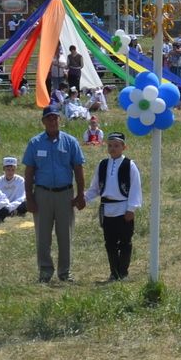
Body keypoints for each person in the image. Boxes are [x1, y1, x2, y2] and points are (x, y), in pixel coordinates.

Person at [23, 106, 87, 284]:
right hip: (42, 194)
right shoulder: (35, 143)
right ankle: (45, 271)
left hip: (65, 194)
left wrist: (81, 194)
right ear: (43, 121)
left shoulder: (70, 142)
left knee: (65, 234)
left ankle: (65, 272)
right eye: (49, 118)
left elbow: (78, 169)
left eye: (55, 118)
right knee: (43, 235)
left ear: (60, 120)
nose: (52, 121)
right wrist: (29, 197)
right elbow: (29, 172)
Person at [84, 132, 142, 282]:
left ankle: (123, 272)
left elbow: (135, 187)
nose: (113, 148)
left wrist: (131, 208)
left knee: (125, 242)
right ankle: (113, 272)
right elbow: (95, 188)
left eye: (116, 146)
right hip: (107, 209)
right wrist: (83, 199)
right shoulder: (103, 164)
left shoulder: (129, 164)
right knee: (109, 243)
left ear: (124, 147)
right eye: (110, 145)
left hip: (123, 209)